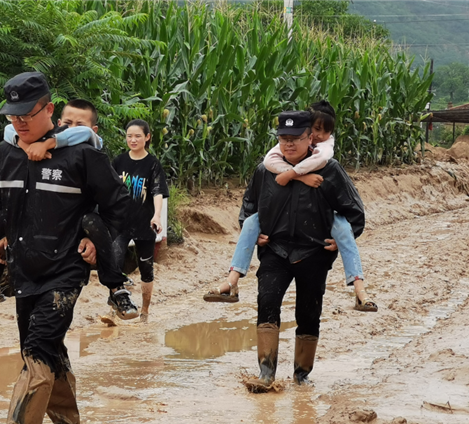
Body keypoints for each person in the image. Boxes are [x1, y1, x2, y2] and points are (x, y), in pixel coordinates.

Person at [0, 72, 130, 424]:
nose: (19, 122)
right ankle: (66, 421)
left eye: (27, 114)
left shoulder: (83, 155)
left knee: (37, 345)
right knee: (44, 347)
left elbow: (118, 205)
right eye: (13, 115)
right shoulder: (4, 154)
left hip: (65, 269)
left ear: (49, 109)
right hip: (23, 270)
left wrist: (95, 239)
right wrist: (3, 235)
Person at [0, 100, 138, 318]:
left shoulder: (89, 148)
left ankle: (116, 288)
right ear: (59, 123)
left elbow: (83, 137)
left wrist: (49, 143)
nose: (73, 129)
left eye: (80, 124)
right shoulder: (34, 147)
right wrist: (27, 145)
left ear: (94, 129)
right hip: (43, 231)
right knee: (3, 216)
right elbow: (9, 130)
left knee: (93, 223)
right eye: (67, 123)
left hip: (85, 220)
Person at [203, 101, 377, 312]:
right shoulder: (272, 162)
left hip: (316, 239)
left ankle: (359, 288)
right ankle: (232, 281)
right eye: (315, 129)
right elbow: (263, 175)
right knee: (250, 223)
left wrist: (292, 175)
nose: (319, 135)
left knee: (343, 229)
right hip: (277, 245)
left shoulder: (326, 157)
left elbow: (351, 206)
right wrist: (300, 177)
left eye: (324, 131)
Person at [240, 110, 365, 391]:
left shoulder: (330, 170)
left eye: (295, 138)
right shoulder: (265, 170)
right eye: (283, 138)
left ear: (310, 138)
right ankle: (266, 373)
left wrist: (342, 240)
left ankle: (301, 375)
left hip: (314, 253)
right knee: (267, 302)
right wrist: (253, 234)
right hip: (275, 250)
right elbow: (249, 206)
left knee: (309, 312)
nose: (289, 144)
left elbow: (354, 210)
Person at [111, 119, 169, 322]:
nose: (133, 140)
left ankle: (145, 312)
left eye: (137, 136)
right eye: (129, 136)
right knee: (114, 263)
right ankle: (115, 309)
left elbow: (157, 192)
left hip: (145, 223)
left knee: (146, 267)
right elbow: (109, 189)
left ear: (147, 137)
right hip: (120, 223)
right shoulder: (118, 162)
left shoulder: (152, 164)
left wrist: (157, 215)